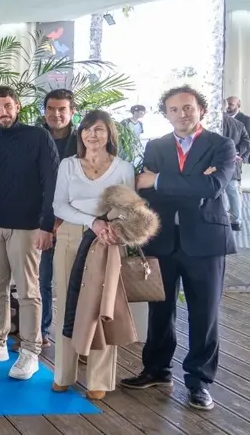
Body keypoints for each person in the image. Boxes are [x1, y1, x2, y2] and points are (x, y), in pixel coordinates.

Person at [121, 86, 237, 411]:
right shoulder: (156, 146)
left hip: (206, 243)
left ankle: (199, 382)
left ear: (201, 109)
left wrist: (159, 179)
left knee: (205, 314)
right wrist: (190, 183)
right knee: (161, 310)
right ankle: (156, 370)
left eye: (188, 108)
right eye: (174, 109)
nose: (182, 114)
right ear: (166, 114)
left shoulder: (221, 145)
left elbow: (213, 186)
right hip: (164, 240)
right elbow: (149, 193)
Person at [0, 86, 59, 380]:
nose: (2, 112)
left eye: (7, 105)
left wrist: (46, 225)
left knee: (28, 291)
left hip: (28, 227)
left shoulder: (38, 137)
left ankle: (30, 351)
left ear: (17, 106)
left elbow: (52, 184)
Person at [51, 110, 135, 400]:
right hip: (72, 236)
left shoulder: (124, 167)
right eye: (87, 130)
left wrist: (109, 225)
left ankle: (99, 378)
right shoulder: (68, 165)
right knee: (66, 305)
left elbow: (129, 209)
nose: (92, 135)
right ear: (80, 134)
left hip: (108, 241)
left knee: (101, 309)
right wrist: (93, 221)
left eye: (99, 129)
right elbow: (58, 206)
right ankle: (63, 374)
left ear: (109, 134)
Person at [29, 88, 79, 349]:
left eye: (62, 109)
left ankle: (75, 336)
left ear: (72, 112)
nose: (56, 114)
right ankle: (41, 331)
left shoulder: (84, 140)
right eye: (50, 109)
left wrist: (63, 218)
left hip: (75, 221)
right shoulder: (33, 137)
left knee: (74, 281)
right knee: (41, 279)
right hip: (40, 221)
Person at [221, 114, 249, 231]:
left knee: (218, 191)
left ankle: (220, 218)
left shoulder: (211, 121)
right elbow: (247, 141)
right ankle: (236, 221)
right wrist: (237, 153)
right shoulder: (238, 124)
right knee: (232, 191)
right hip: (233, 163)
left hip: (215, 163)